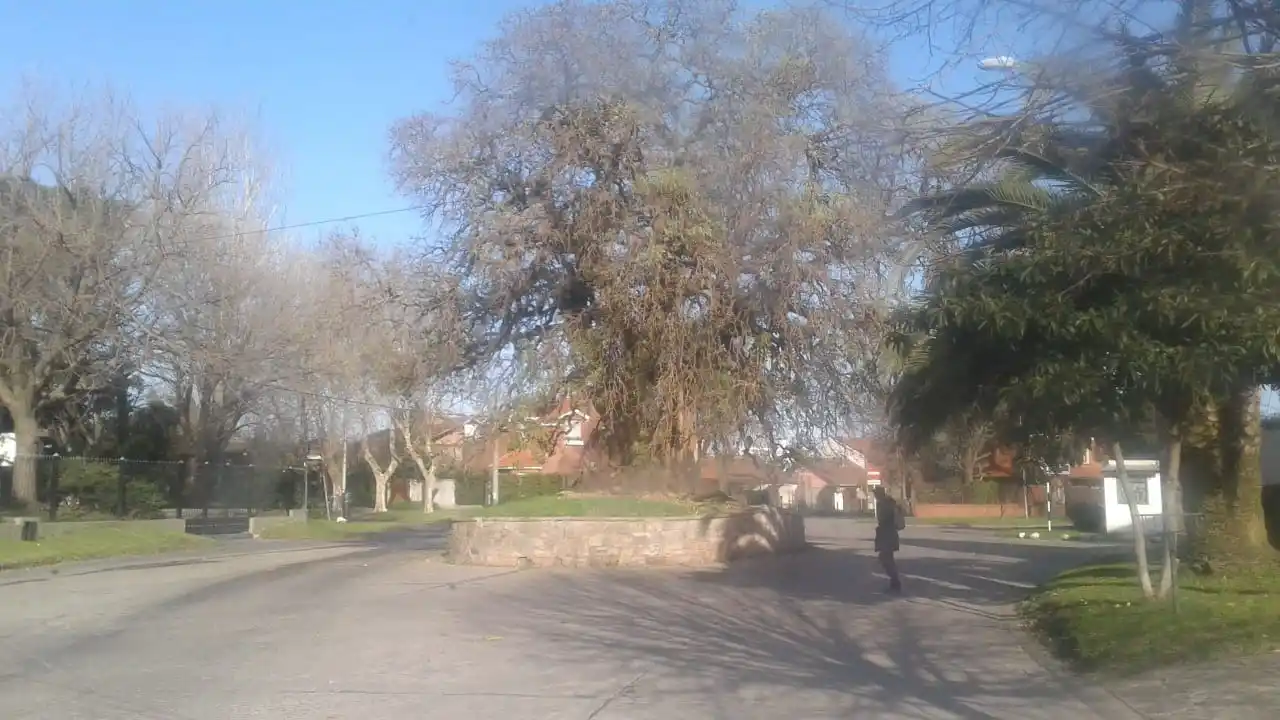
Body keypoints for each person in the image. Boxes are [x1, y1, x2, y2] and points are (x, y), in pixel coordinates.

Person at [873, 485, 904, 593]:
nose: (875, 495)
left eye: (875, 493)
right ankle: (894, 581)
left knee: (885, 558)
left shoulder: (883, 504)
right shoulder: (890, 502)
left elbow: (882, 518)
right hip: (890, 533)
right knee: (887, 558)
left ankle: (895, 581)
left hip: (887, 534)